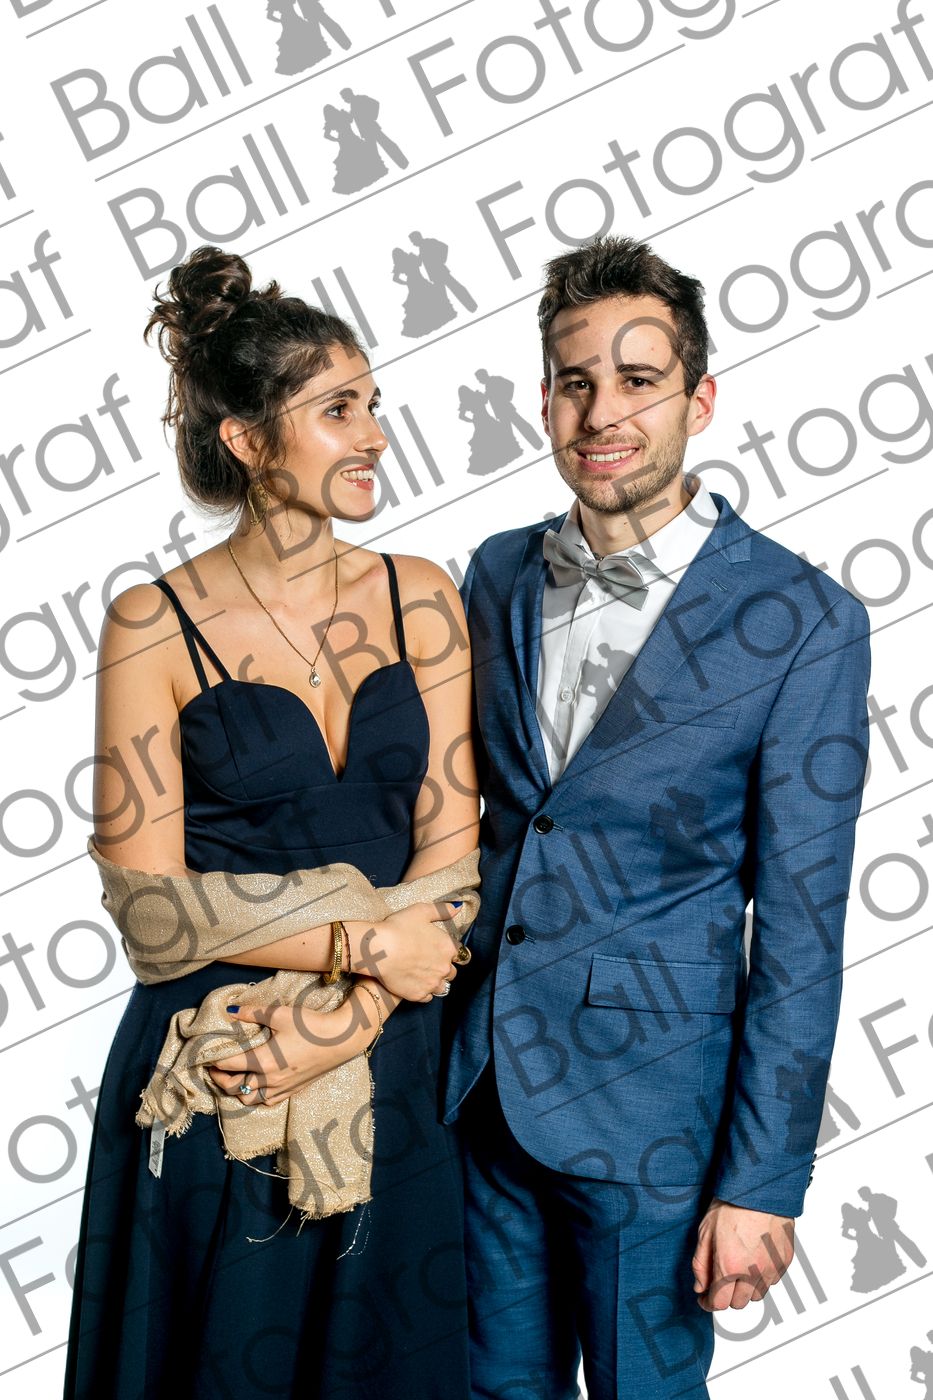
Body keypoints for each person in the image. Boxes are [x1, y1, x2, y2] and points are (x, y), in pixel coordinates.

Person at [443, 234, 871, 1399]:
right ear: (543, 397)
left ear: (701, 399)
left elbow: (802, 927)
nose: (601, 414)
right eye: (574, 381)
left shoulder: (804, 619)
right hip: (481, 1095)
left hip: (658, 1122)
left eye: (638, 380)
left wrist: (764, 1178)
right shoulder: (493, 574)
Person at [64, 245, 479, 1399]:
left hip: (392, 1063)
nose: (375, 436)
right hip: (225, 1061)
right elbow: (152, 911)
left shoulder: (422, 593)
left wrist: (350, 1015)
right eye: (338, 410)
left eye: (374, 404)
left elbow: (454, 854)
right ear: (248, 439)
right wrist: (363, 941)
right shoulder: (151, 624)